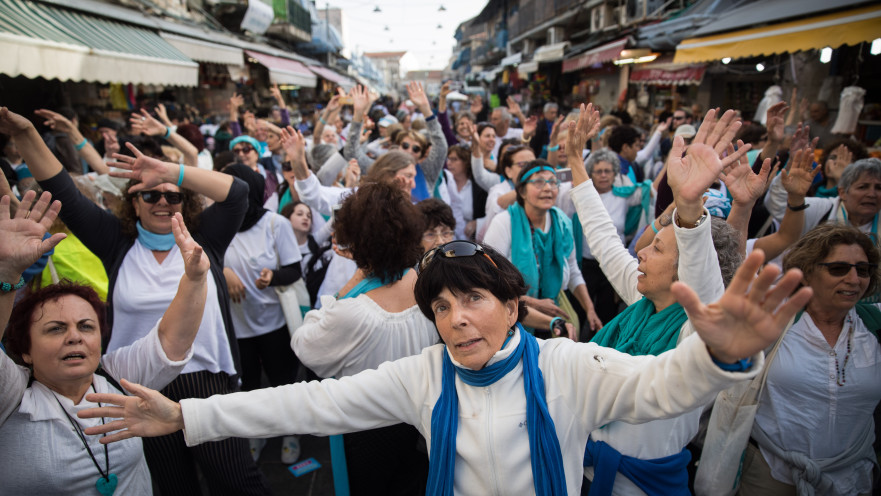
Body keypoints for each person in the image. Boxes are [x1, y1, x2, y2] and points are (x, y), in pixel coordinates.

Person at [78, 236, 813, 495]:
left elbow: (664, 387)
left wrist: (718, 351)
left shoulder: (568, 366)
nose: (456, 318)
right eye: (440, 308)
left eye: (473, 300)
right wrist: (184, 415)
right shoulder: (424, 376)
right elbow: (302, 406)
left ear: (510, 301)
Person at [0, 107, 271, 494]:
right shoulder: (117, 244)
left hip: (207, 379)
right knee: (173, 485)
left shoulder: (204, 240)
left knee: (237, 480)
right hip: (138, 385)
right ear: (134, 201)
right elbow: (63, 190)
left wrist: (169, 171)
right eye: (150, 194)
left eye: (172, 196)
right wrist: (26, 134)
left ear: (186, 201)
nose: (162, 201)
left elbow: (238, 194)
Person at [569, 105, 751, 494]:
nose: (641, 253)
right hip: (582, 471)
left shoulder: (696, 328)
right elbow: (602, 239)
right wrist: (575, 161)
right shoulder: (641, 297)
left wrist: (688, 207)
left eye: (658, 249)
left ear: (686, 268)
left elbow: (703, 276)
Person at [0, 190, 207, 494]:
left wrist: (195, 279)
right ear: (26, 352)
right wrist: (5, 273)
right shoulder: (11, 396)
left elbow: (171, 340)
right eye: (56, 329)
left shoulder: (115, 376)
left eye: (86, 326)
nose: (74, 337)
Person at [291, 181, 436, 494]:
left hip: (368, 427)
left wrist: (355, 278)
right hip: (418, 416)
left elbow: (305, 347)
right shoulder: (421, 282)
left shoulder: (353, 311)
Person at [733, 223, 881, 495]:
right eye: (839, 269)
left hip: (852, 479)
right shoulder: (774, 319)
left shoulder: (875, 325)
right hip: (770, 474)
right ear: (808, 272)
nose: (854, 279)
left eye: (863, 270)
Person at [221, 164, 303, 464]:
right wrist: (223, 271)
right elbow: (201, 258)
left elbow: (294, 270)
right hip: (237, 326)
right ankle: (257, 433)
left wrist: (273, 277)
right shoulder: (217, 223)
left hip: (275, 322)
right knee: (249, 385)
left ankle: (291, 432)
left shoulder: (275, 224)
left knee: (283, 380)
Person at [484, 158, 603, 336]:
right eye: (539, 182)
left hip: (554, 303)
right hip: (512, 308)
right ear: (522, 191)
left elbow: (571, 268)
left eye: (553, 182)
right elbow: (488, 279)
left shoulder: (562, 222)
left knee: (569, 335)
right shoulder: (504, 223)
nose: (548, 188)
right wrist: (533, 303)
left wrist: (590, 308)